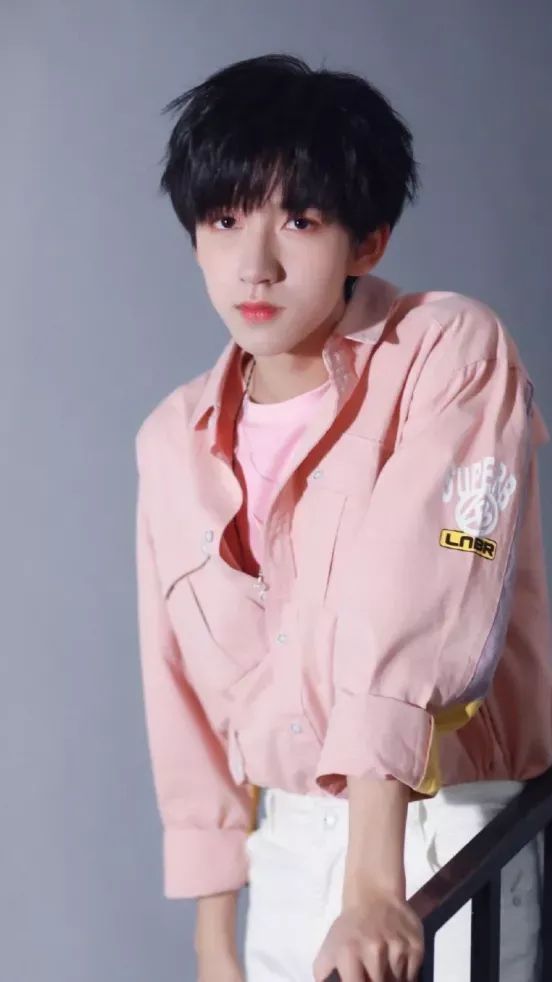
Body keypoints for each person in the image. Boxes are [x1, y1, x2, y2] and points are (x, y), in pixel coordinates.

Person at [134, 53, 552, 982]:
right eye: (225, 219)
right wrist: (214, 941)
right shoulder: (171, 441)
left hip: (443, 841)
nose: (255, 264)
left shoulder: (449, 353)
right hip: (284, 862)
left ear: (368, 242)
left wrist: (373, 887)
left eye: (301, 220)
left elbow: (426, 591)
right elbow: (181, 694)